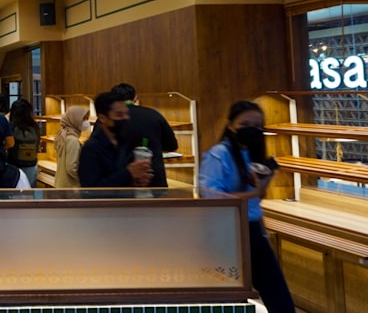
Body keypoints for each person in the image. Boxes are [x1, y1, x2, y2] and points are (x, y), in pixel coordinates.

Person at [200, 101, 294, 313]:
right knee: (233, 294)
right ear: (231, 125)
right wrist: (255, 191)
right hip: (225, 232)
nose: (251, 129)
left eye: (257, 125)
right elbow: (211, 198)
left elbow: (254, 202)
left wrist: (265, 180)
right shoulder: (218, 154)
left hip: (252, 228)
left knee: (276, 293)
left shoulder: (251, 154)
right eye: (245, 123)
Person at [78, 92, 152, 188]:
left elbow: (127, 182)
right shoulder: (91, 149)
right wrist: (128, 173)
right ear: (102, 118)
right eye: (119, 115)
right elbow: (91, 190)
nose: (126, 118)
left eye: (126, 114)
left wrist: (138, 181)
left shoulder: (127, 143)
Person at [111, 83, 178, 187]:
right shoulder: (153, 115)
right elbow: (172, 145)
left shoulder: (109, 118)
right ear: (135, 97)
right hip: (153, 178)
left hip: (119, 179)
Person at [54, 105, 90, 188]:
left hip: (61, 184)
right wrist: (83, 179)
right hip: (70, 186)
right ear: (75, 120)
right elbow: (71, 167)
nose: (86, 122)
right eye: (83, 119)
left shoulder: (63, 135)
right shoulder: (72, 140)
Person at [7, 99, 40, 187]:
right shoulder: (34, 127)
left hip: (14, 167)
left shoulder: (11, 127)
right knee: (30, 194)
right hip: (32, 166)